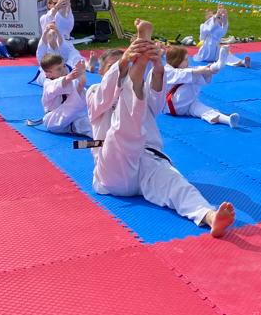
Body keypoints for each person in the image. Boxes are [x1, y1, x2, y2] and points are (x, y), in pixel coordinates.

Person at [86, 19, 235, 236]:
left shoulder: (146, 91)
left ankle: (209, 216)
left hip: (148, 159)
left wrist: (157, 68)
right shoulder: (94, 92)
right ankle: (138, 67)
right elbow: (105, 94)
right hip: (115, 168)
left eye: (129, 65)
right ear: (102, 72)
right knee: (122, 131)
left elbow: (157, 102)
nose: (123, 69)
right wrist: (125, 61)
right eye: (117, 67)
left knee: (175, 183)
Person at [163, 44, 240, 128]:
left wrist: (210, 68)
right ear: (176, 60)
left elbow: (195, 69)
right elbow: (181, 74)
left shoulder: (186, 69)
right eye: (185, 59)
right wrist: (201, 71)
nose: (188, 61)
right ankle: (217, 65)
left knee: (204, 110)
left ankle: (227, 120)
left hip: (188, 104)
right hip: (173, 104)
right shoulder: (166, 71)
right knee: (193, 74)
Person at [39, 54, 93, 136]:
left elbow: (78, 96)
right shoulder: (48, 84)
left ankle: (103, 139)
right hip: (54, 120)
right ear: (48, 74)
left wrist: (81, 81)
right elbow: (56, 87)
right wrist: (69, 77)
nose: (64, 70)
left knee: (92, 126)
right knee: (73, 102)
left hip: (73, 119)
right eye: (59, 69)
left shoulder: (72, 81)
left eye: (64, 66)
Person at [34, 21, 87, 86]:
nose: (53, 38)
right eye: (50, 36)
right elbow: (40, 53)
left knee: (74, 59)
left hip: (63, 71)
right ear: (47, 38)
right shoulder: (45, 49)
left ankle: (84, 71)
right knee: (45, 78)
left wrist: (57, 32)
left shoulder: (61, 47)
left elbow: (64, 50)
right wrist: (45, 32)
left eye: (55, 36)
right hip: (50, 73)